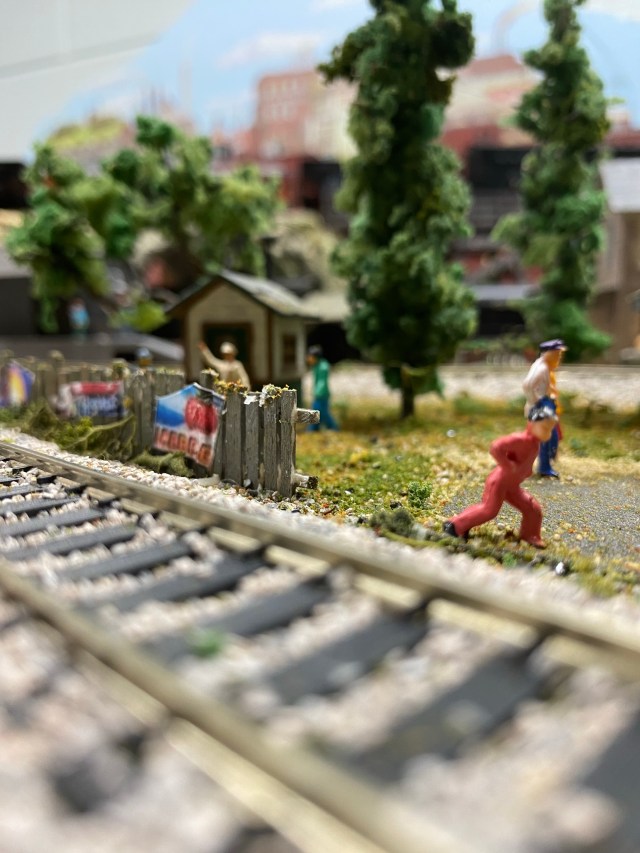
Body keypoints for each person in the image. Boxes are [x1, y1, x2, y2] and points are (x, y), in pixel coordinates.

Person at [442, 402, 558, 549]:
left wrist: (525, 470)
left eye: (550, 429)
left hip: (512, 485)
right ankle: (455, 526)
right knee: (489, 510)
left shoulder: (535, 443)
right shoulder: (520, 439)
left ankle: (530, 535)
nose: (548, 433)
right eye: (545, 428)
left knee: (532, 509)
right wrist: (508, 465)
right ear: (531, 424)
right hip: (500, 481)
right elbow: (496, 447)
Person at [522, 338, 567, 478]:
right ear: (550, 353)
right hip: (541, 404)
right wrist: (537, 401)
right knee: (544, 436)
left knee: (548, 435)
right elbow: (527, 385)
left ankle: (543, 465)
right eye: (557, 354)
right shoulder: (541, 368)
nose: (559, 358)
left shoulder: (543, 365)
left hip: (544, 402)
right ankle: (542, 467)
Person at [306, 345, 339, 431]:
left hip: (322, 394)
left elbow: (322, 382)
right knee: (317, 413)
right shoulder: (316, 366)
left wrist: (318, 392)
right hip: (318, 393)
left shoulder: (323, 366)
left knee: (322, 413)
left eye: (311, 356)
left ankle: (334, 428)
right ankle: (313, 429)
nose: (309, 358)